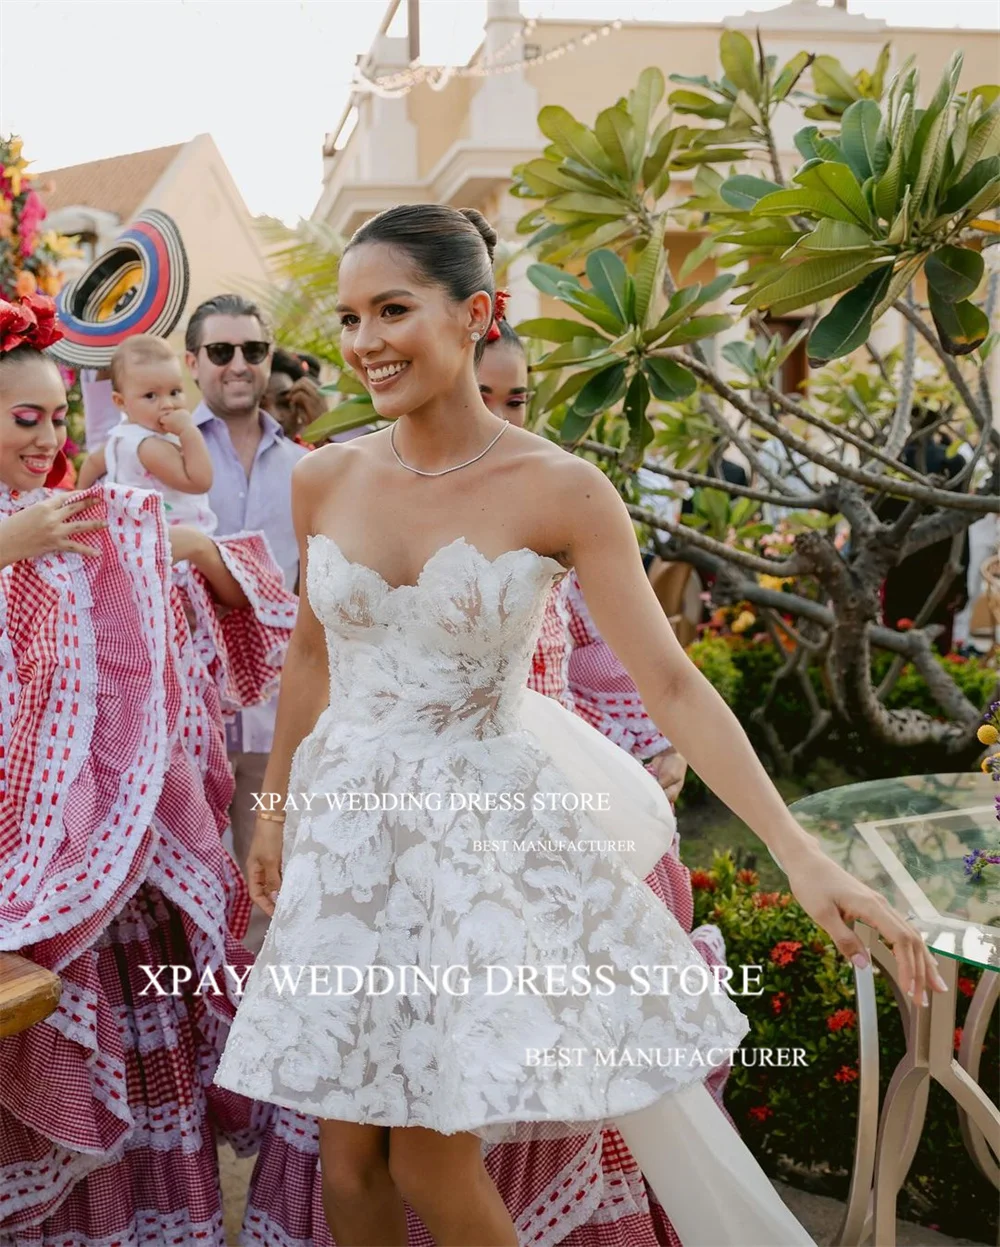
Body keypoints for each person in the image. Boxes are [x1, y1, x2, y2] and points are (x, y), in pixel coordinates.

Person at [213, 204, 946, 1247]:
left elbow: (674, 685)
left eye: (392, 309)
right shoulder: (324, 476)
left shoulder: (561, 487)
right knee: (348, 1156)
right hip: (347, 830)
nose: (365, 340)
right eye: (347, 317)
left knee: (430, 1153)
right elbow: (311, 655)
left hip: (473, 844)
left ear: (474, 313)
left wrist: (798, 852)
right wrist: (275, 814)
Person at [0, 293, 278, 1245]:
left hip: (109, 873)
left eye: (57, 417)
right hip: (24, 883)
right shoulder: (27, 527)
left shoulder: (63, 512)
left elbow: (173, 565)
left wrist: (185, 545)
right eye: (23, 418)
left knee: (124, 1023)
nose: (47, 439)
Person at [183, 294, 309, 953]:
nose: (239, 365)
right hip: (184, 725)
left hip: (273, 725)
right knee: (191, 899)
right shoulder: (159, 454)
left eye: (253, 351)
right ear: (192, 362)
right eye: (222, 351)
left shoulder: (306, 469)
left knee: (271, 894)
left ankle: (256, 1043)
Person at [77, 334, 217, 533]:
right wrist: (189, 432)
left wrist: (80, 501)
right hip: (173, 547)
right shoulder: (150, 447)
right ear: (121, 402)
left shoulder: (120, 438)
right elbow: (200, 482)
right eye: (151, 396)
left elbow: (92, 463)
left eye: (175, 392)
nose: (168, 404)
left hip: (140, 542)